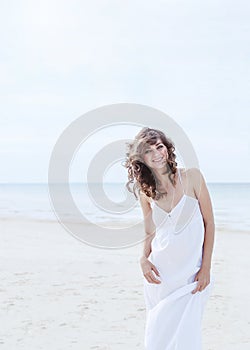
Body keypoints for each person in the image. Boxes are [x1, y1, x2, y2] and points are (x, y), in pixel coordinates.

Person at [125, 127, 215, 350]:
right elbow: (150, 232)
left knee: (187, 336)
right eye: (149, 150)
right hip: (160, 275)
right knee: (158, 338)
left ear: (167, 149)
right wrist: (143, 259)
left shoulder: (192, 177)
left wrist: (206, 268)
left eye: (160, 146)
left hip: (191, 274)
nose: (156, 153)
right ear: (141, 159)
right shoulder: (145, 191)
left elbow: (209, 223)